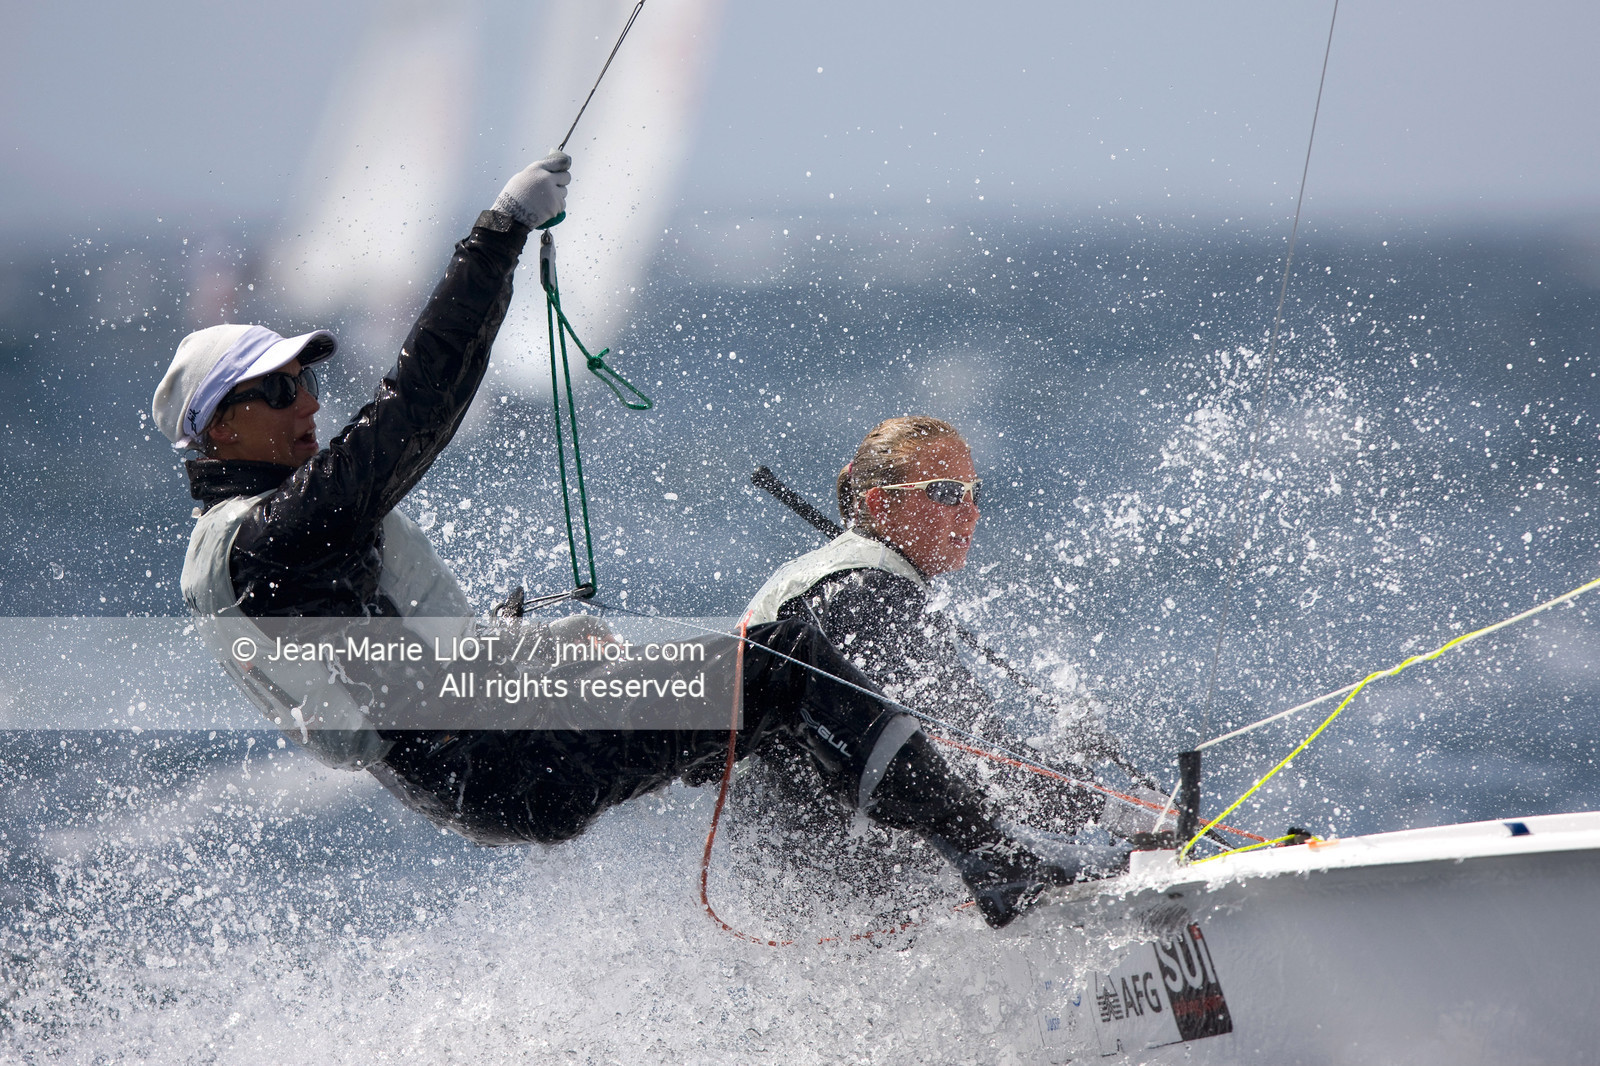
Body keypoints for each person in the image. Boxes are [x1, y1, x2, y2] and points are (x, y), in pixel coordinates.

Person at [152, 154, 1117, 928]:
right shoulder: (276, 533)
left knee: (759, 690)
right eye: (279, 391)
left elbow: (379, 668)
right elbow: (418, 408)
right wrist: (495, 239)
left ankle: (881, 893)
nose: (309, 403)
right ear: (217, 429)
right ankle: (994, 858)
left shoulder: (244, 547)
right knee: (794, 664)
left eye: (309, 381)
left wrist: (525, 652)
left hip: (482, 755)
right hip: (500, 757)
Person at [745, 417, 1116, 833]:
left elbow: (967, 748)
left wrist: (1065, 759)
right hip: (844, 876)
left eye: (975, 494)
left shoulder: (849, 576)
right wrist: (1109, 806)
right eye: (947, 493)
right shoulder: (866, 593)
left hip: (793, 861)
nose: (971, 513)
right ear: (880, 505)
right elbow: (972, 762)